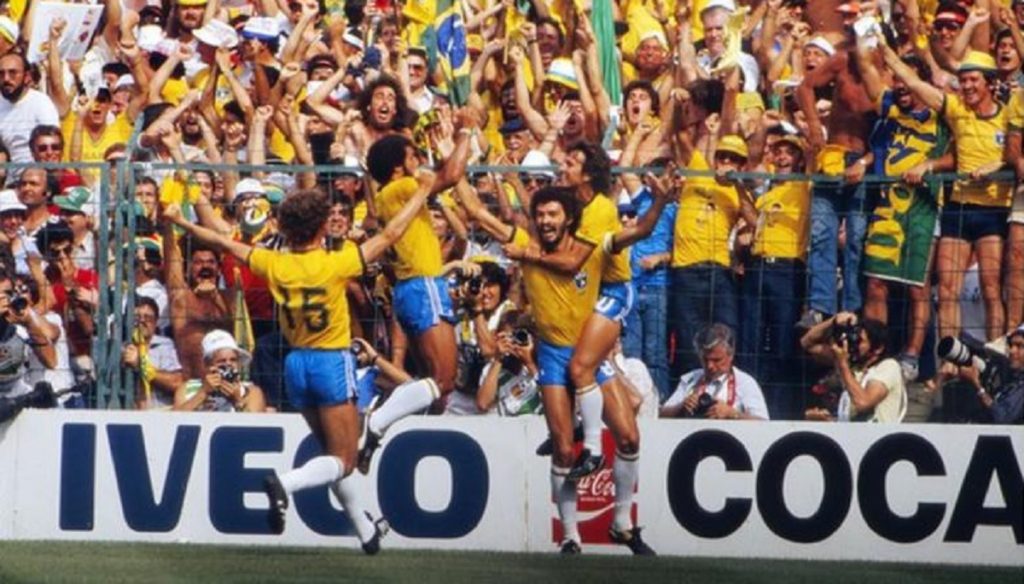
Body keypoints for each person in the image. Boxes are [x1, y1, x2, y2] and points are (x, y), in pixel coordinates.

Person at [164, 167, 437, 555]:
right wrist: (422, 191)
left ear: (285, 229)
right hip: (331, 362)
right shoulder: (338, 262)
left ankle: (365, 531)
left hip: (296, 365)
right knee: (345, 459)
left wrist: (180, 222)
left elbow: (221, 241)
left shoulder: (275, 263)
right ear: (323, 227)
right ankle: (285, 483)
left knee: (331, 454)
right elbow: (391, 234)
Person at [457, 183, 663, 555]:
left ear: (569, 218)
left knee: (630, 439)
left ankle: (621, 524)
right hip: (552, 355)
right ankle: (570, 536)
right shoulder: (524, 241)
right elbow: (477, 212)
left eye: (553, 214)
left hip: (588, 353)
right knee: (565, 451)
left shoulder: (592, 247)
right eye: (540, 214)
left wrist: (661, 198)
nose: (545, 221)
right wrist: (455, 165)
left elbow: (642, 230)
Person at [356, 117, 473, 474]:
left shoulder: (390, 195)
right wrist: (466, 131)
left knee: (433, 384)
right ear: (397, 168)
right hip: (423, 287)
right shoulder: (401, 188)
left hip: (412, 289)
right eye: (412, 156)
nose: (418, 161)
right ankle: (376, 422)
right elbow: (452, 175)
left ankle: (394, 428)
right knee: (444, 380)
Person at [882, 47, 1012, 342]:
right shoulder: (957, 110)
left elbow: (1017, 155)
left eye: (973, 80)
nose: (967, 86)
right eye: (963, 80)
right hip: (959, 206)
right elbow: (914, 83)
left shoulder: (1008, 116)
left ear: (990, 82)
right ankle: (949, 359)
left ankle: (996, 354)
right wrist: (884, 48)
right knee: (947, 290)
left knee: (991, 289)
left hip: (993, 210)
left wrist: (998, 164)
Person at [801, 312, 908, 423]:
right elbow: (807, 343)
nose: (853, 344)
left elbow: (863, 402)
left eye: (859, 341)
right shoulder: (852, 365)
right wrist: (833, 321)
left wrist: (843, 364)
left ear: (878, 348)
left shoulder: (888, 366)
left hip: (879, 433)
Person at [660, 324, 770, 420]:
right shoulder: (689, 379)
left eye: (716, 360)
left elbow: (763, 423)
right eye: (705, 359)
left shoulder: (745, 382)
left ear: (731, 355)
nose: (710, 366)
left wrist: (732, 414)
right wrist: (680, 408)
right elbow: (660, 415)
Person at [173, 330, 267, 413]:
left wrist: (237, 401)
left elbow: (256, 424)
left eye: (233, 360)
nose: (228, 364)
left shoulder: (251, 391)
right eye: (221, 361)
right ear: (208, 364)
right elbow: (173, 421)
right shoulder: (187, 389)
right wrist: (203, 393)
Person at [123, 296, 184, 410]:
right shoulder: (120, 348)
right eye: (136, 317)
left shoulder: (164, 345)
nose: (142, 321)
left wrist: (142, 365)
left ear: (156, 322)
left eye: (148, 317)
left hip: (160, 413)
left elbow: (177, 382)